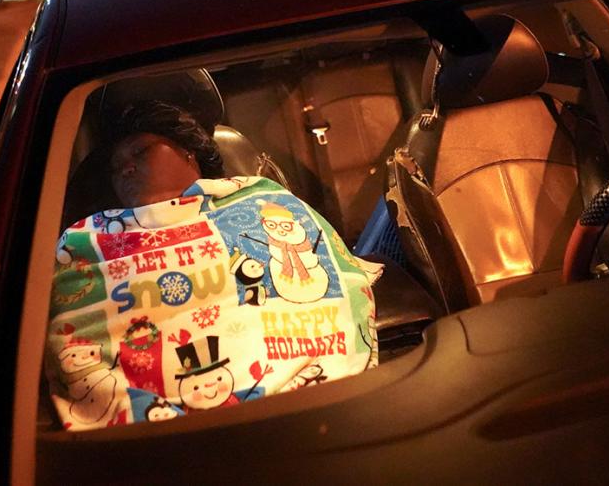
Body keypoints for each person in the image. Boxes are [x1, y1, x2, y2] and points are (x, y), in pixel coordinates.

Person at [45, 101, 382, 431]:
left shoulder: (261, 199)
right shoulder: (88, 236)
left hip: (311, 416)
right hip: (163, 438)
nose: (126, 169)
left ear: (188, 152)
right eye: (117, 168)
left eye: (140, 152)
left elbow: (330, 277)